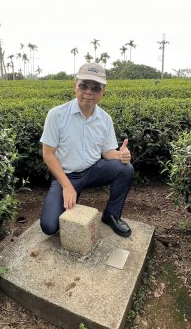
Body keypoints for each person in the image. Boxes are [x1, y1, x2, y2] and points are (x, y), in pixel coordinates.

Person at [39, 62, 134, 237]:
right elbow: (48, 154)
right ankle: (72, 192)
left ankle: (111, 215)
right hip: (66, 175)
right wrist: (67, 186)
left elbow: (107, 152)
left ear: (103, 90)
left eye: (96, 87)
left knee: (125, 169)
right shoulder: (56, 115)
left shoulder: (105, 119)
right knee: (49, 226)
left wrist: (121, 155)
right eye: (84, 85)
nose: (89, 92)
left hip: (93, 171)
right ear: (75, 85)